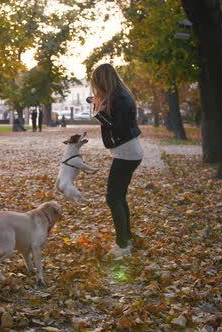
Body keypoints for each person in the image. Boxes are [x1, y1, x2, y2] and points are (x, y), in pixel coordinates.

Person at [89, 63, 143, 259]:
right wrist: (97, 103)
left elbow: (118, 127)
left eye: (96, 84)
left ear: (102, 81)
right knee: (119, 197)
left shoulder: (120, 98)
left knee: (113, 197)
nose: (95, 89)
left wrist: (99, 115)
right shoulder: (117, 95)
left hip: (126, 153)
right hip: (129, 152)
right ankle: (126, 239)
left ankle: (122, 245)